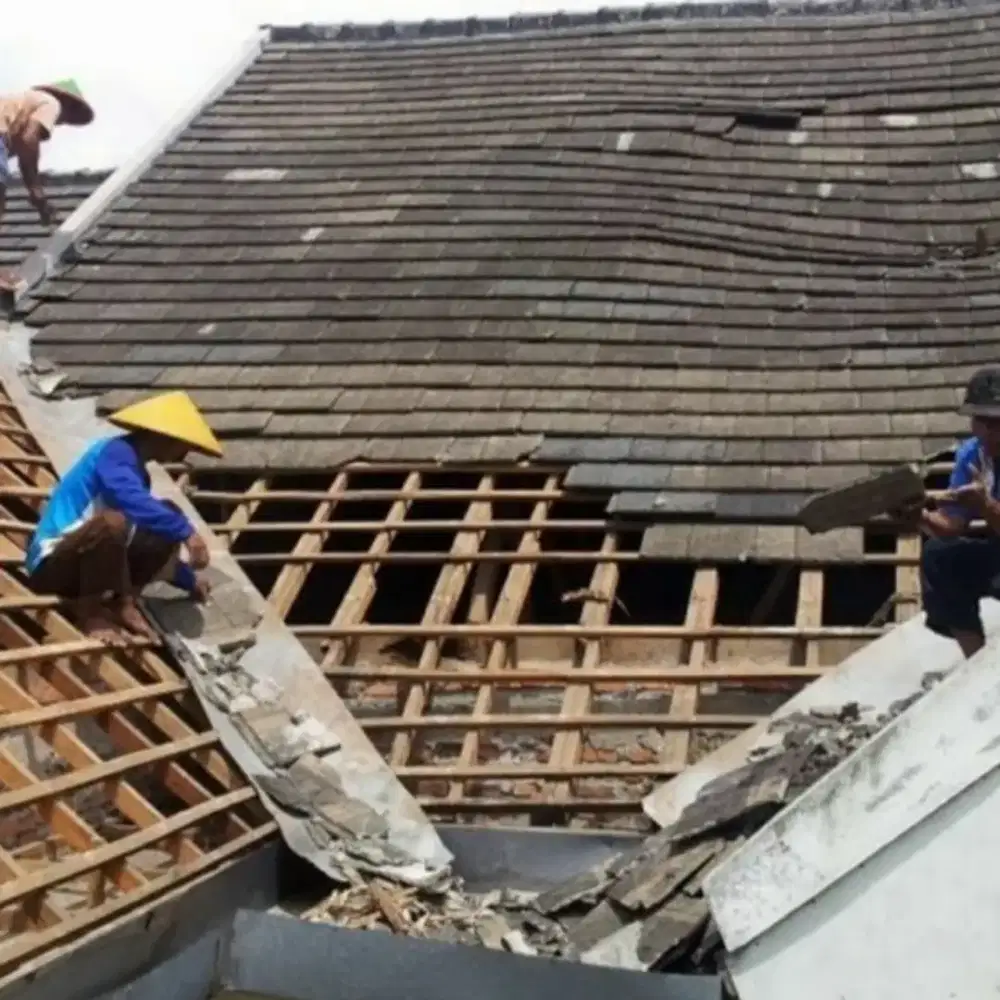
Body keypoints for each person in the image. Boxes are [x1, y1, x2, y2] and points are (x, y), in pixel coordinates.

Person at [25, 391, 223, 645]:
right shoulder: (115, 453)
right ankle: (90, 613)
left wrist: (189, 580)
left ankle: (123, 603)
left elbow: (142, 535)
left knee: (165, 515)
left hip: (83, 572)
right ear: (164, 437)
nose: (184, 454)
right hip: (52, 566)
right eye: (184, 445)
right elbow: (129, 500)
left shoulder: (138, 471)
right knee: (112, 523)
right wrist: (187, 532)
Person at [919, 367, 1000, 658]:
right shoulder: (972, 455)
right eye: (982, 421)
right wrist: (918, 515)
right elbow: (952, 524)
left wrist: (985, 506)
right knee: (939, 556)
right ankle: (975, 664)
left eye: (997, 423)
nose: (990, 431)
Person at [0, 80, 94, 242]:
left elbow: (23, 149)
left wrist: (34, 192)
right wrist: (35, 189)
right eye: (69, 116)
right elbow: (29, 139)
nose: (62, 122)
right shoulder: (51, 103)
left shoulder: (22, 105)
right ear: (68, 105)